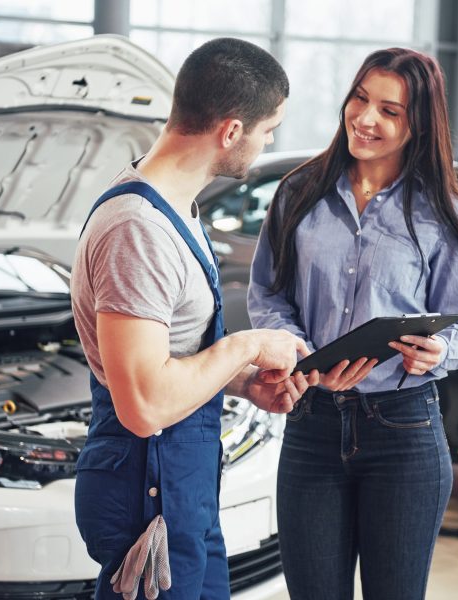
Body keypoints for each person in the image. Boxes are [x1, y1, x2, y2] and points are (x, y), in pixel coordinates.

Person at [71, 38, 318, 600]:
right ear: (231, 131)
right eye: (268, 128)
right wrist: (247, 347)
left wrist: (243, 384)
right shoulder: (138, 228)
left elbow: (169, 353)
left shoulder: (176, 205)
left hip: (184, 485)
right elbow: (144, 405)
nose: (270, 140)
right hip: (146, 487)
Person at [248, 48, 458, 599]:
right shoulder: (298, 194)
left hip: (404, 433)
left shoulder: (444, 211)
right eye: (360, 99)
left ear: (417, 123)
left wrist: (436, 352)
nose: (366, 119)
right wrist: (303, 352)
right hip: (312, 425)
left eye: (390, 111)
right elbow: (268, 295)